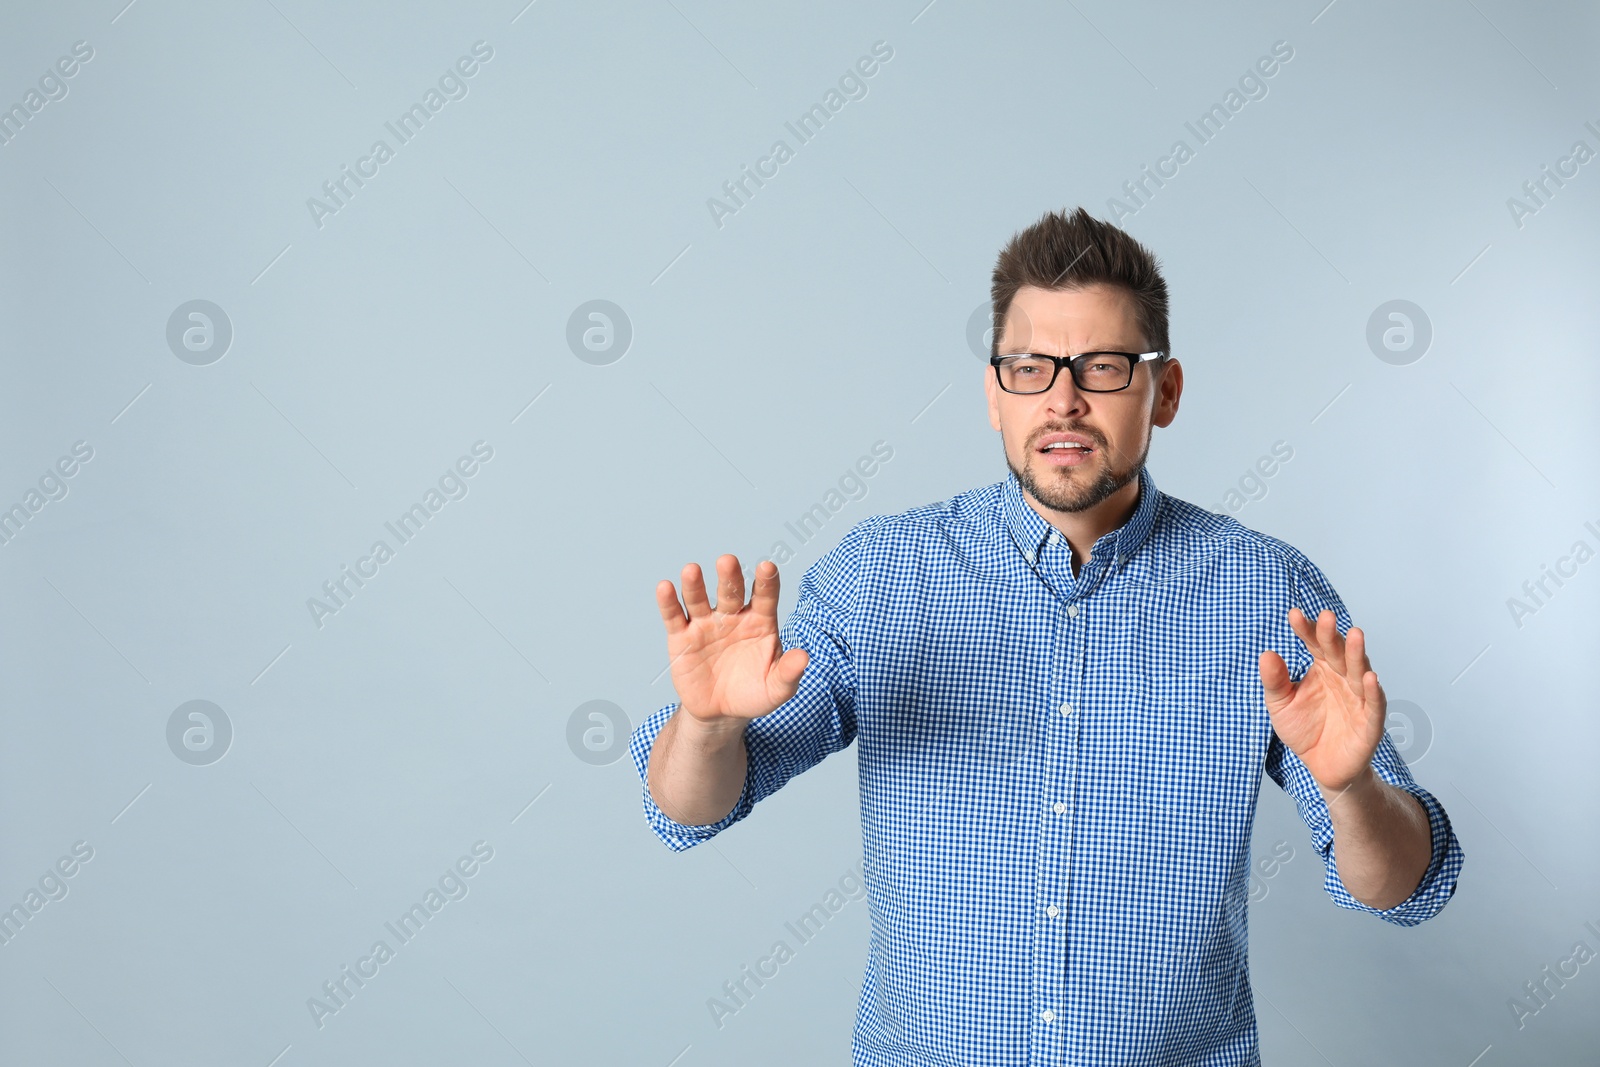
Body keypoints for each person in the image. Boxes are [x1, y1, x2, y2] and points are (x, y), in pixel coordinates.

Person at [629, 206, 1464, 1066]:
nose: (1063, 400)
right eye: (1030, 368)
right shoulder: (883, 574)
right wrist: (709, 725)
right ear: (995, 393)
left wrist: (1353, 786)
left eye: (1102, 367)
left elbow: (1407, 887)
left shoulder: (1269, 593)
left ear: (1164, 391)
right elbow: (689, 808)